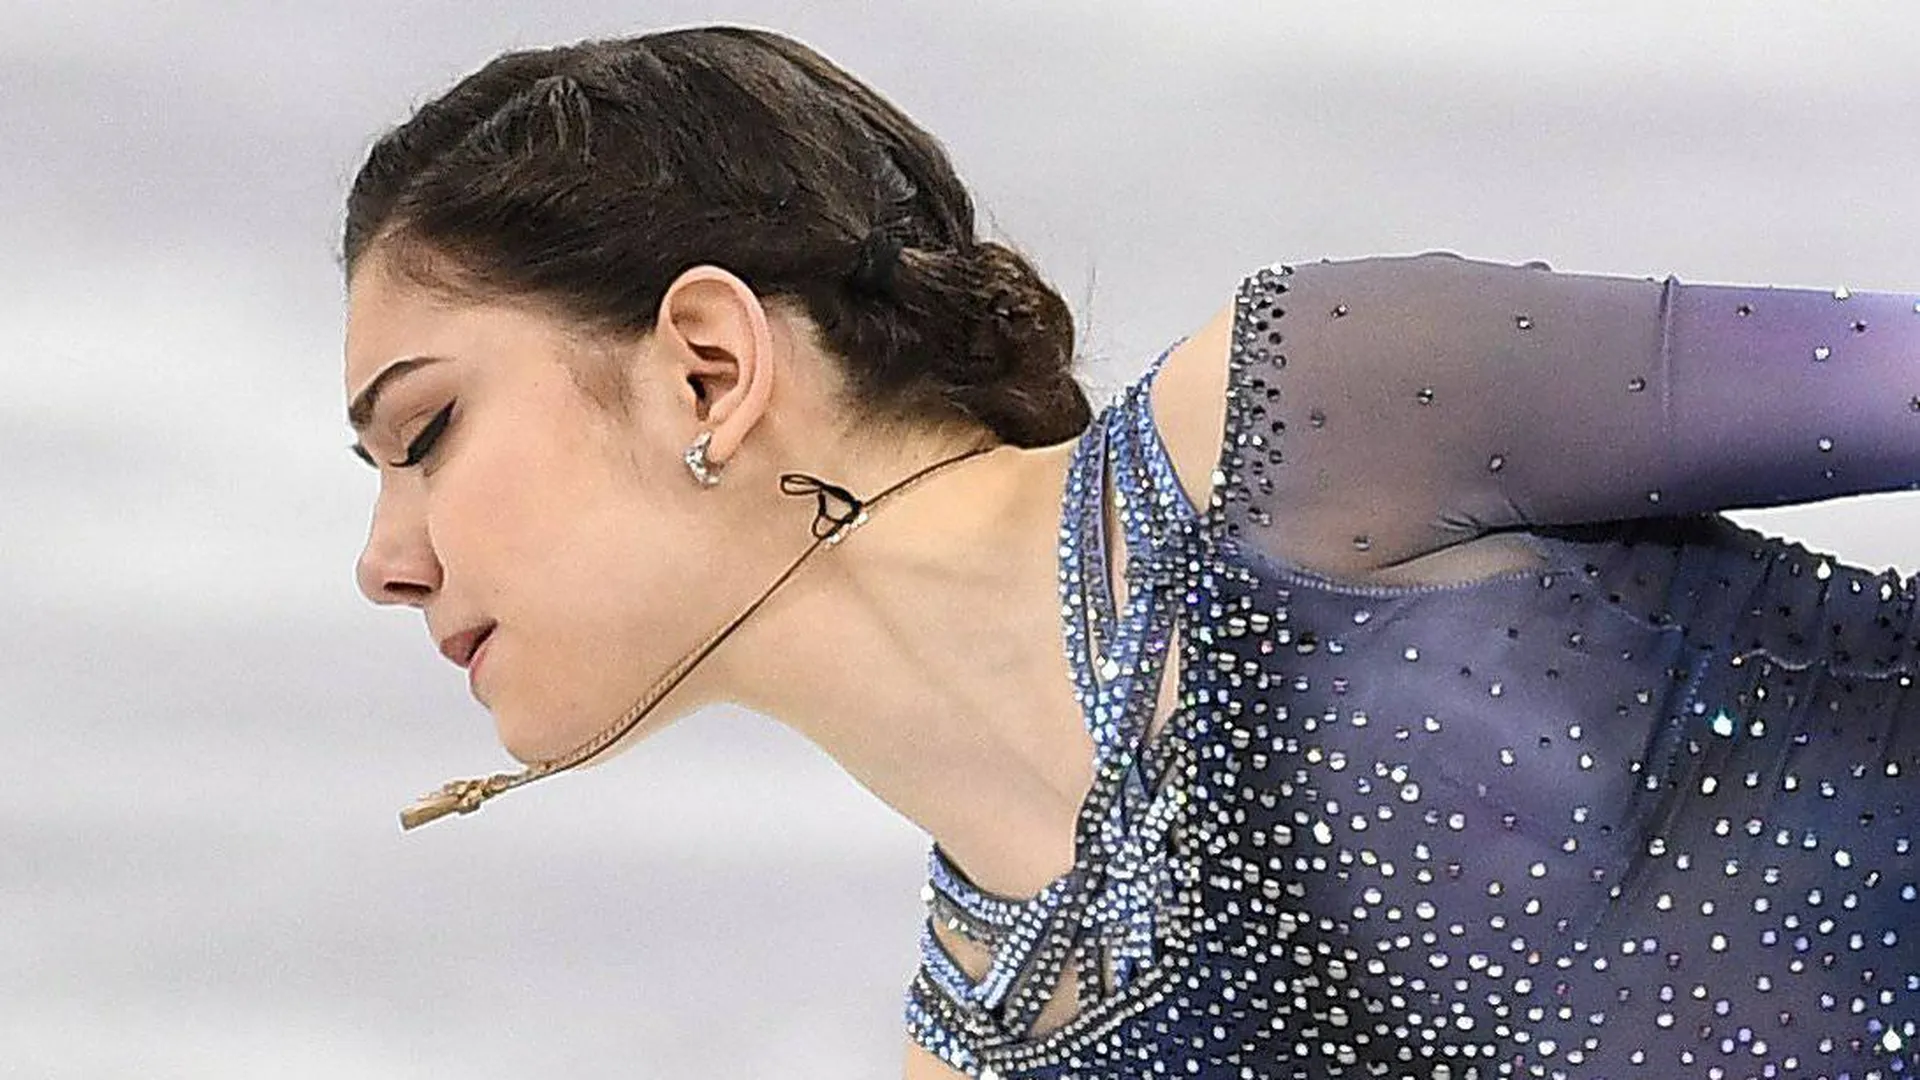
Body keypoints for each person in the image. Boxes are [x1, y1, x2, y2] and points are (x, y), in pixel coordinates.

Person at [341, 24, 1920, 1080]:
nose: (383, 560)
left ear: (708, 368)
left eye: (425, 432)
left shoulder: (1312, 424)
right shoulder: (984, 1044)